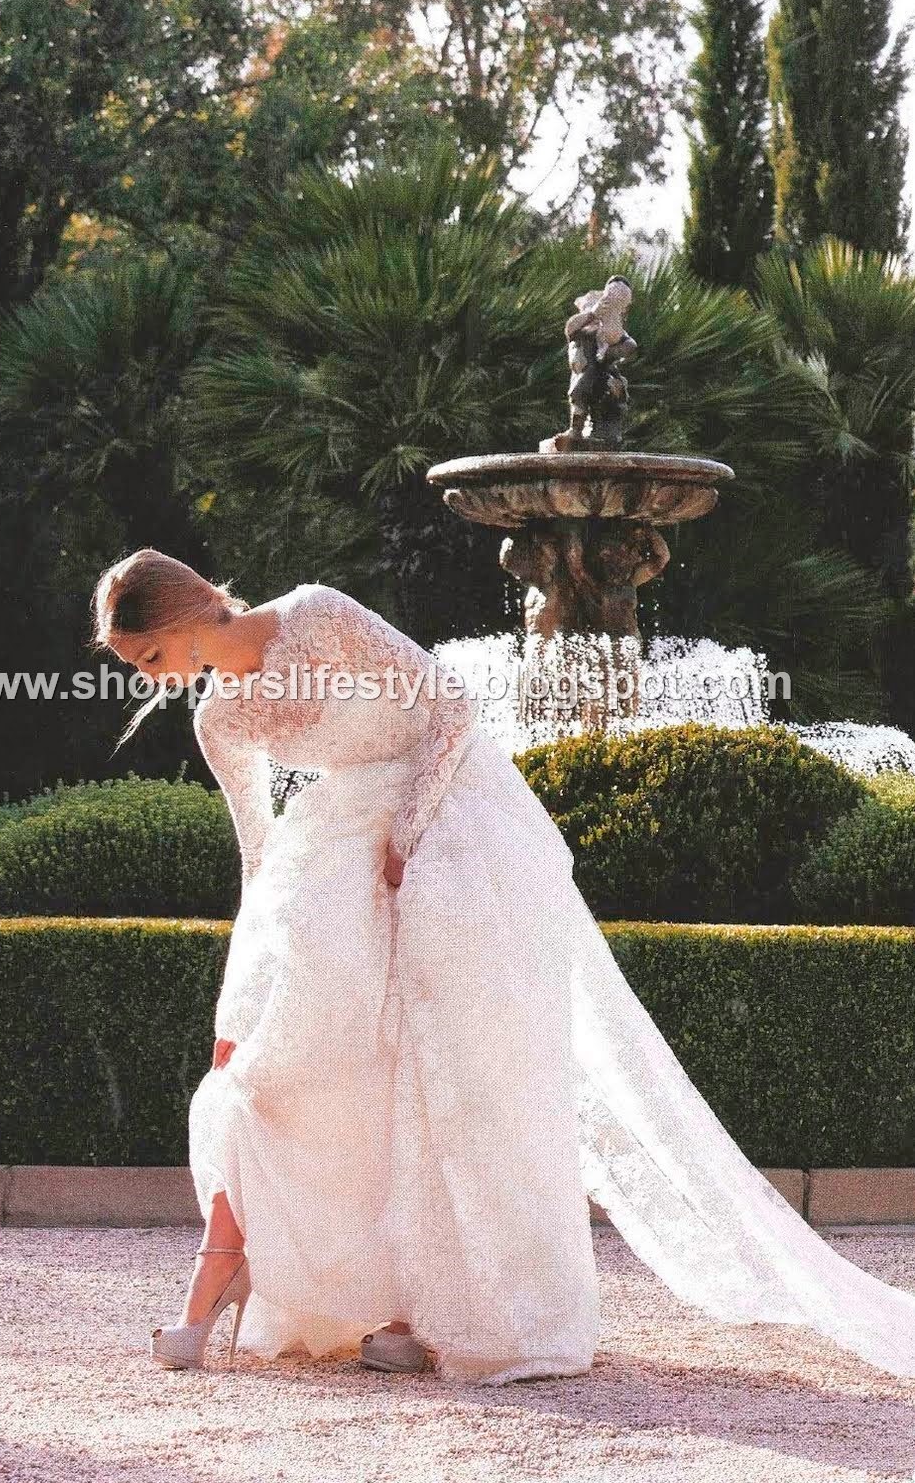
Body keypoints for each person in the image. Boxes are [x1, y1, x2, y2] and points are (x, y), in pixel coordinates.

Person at [92, 547, 915, 1385]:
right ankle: (252, 1265)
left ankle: (430, 1310)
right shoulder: (219, 720)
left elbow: (449, 706)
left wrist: (410, 835)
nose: (151, 680)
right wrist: (243, 991)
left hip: (455, 822)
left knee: (459, 1064)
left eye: (150, 657)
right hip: (337, 847)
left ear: (184, 617)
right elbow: (258, 856)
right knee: (289, 1059)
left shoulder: (316, 613)